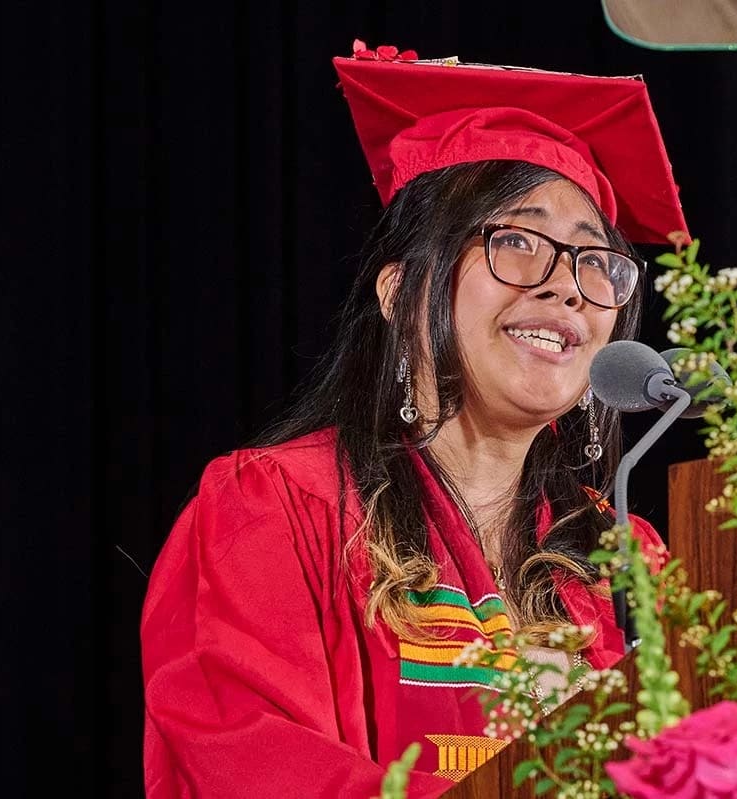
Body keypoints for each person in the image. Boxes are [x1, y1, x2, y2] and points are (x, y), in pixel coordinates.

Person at [139, 42, 688, 799]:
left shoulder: (629, 562)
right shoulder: (275, 508)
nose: (567, 286)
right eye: (518, 241)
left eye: (596, 262)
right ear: (400, 292)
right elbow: (252, 765)